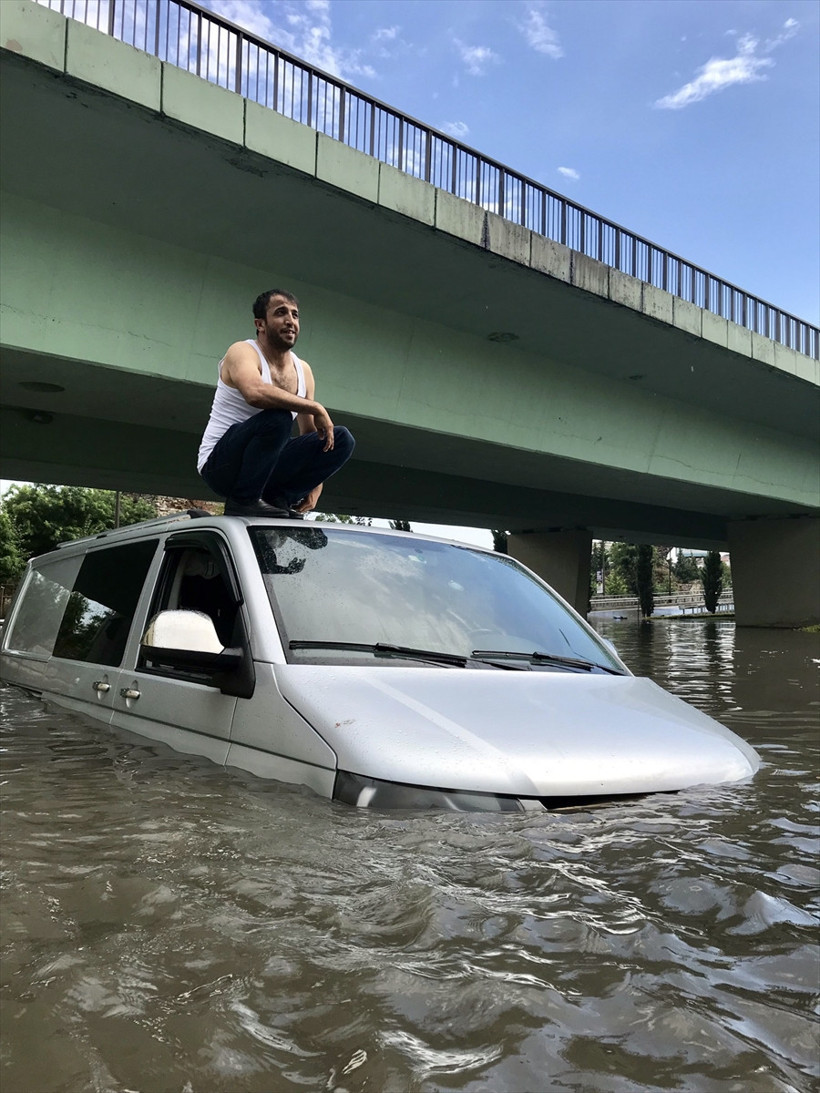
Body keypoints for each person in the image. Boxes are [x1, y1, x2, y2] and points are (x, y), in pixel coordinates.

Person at [197, 289, 355, 517]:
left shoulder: (304, 370)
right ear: (260, 324)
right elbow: (254, 393)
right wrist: (315, 407)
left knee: (341, 439)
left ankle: (279, 499)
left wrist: (315, 482)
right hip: (220, 466)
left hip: (265, 470)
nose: (290, 321)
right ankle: (243, 500)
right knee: (278, 418)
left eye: (295, 315)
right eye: (281, 313)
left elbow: (310, 436)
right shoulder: (242, 351)